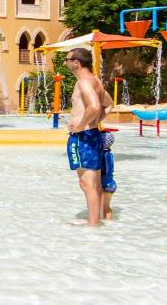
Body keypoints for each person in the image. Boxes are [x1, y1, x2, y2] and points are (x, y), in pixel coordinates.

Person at [65, 48, 112, 227]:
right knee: (95, 183)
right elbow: (108, 104)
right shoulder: (95, 81)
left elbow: (94, 106)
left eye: (67, 59)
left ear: (76, 63)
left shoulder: (84, 82)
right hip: (92, 135)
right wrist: (94, 122)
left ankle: (92, 227)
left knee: (86, 184)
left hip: (82, 137)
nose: (65, 63)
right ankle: (96, 221)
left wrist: (80, 126)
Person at [101, 130, 117, 220]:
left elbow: (105, 170)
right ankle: (109, 226)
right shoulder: (110, 154)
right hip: (111, 184)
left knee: (104, 208)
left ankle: (106, 225)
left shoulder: (103, 155)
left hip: (105, 185)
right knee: (106, 208)